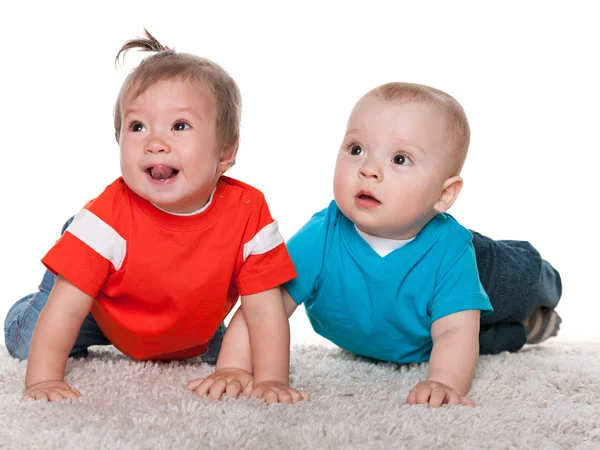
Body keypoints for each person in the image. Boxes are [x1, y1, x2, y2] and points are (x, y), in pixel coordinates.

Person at [202, 82, 562, 407]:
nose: (369, 169)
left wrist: (442, 382)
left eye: (399, 159)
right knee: (479, 341)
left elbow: (454, 330)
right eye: (356, 149)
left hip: (477, 267)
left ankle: (547, 283)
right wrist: (233, 366)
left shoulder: (451, 250)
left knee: (519, 283)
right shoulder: (322, 235)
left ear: (444, 193)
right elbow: (264, 303)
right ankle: (523, 330)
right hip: (415, 334)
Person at [4, 30, 308, 405]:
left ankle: (83, 261)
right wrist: (42, 380)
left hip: (185, 323)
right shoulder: (109, 217)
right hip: (105, 312)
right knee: (27, 340)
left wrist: (271, 379)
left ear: (225, 153)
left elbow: (264, 307)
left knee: (226, 351)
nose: (155, 142)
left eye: (179, 126)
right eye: (137, 127)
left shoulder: (248, 211)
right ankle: (66, 263)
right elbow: (66, 312)